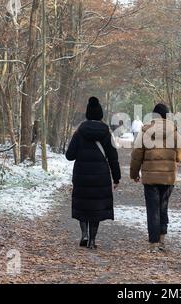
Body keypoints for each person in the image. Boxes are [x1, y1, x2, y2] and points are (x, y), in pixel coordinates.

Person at [130, 104, 181, 253]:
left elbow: (136, 155)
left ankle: (153, 243)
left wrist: (134, 174)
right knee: (163, 207)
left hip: (150, 178)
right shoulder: (175, 133)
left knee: (152, 209)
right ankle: (162, 239)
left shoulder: (145, 132)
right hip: (168, 177)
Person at [66, 97, 121, 249]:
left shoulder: (79, 132)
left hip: (82, 173)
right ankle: (92, 240)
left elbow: (69, 155)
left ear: (87, 114)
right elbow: (113, 157)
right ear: (101, 115)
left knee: (82, 205)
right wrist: (116, 178)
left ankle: (83, 234)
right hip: (100, 175)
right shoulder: (106, 133)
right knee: (96, 207)